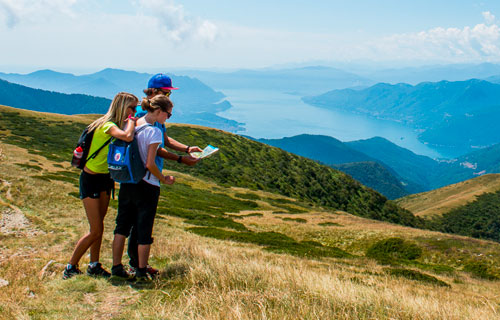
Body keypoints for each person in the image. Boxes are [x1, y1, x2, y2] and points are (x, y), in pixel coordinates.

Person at [126, 73, 202, 278]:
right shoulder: (147, 115)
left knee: (138, 221)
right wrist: (180, 160)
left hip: (147, 175)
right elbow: (155, 149)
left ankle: (138, 263)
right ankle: (136, 264)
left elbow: (165, 140)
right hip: (145, 176)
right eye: (167, 91)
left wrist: (187, 149)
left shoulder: (154, 113)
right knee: (140, 222)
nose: (169, 94)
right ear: (157, 92)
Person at [63, 92, 139, 279]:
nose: (134, 111)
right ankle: (70, 267)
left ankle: (94, 265)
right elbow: (127, 137)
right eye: (132, 108)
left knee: (99, 227)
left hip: (106, 179)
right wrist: (131, 121)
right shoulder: (107, 125)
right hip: (90, 180)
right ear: (122, 107)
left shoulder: (113, 124)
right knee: (95, 229)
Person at [111, 95, 176, 281]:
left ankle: (116, 266)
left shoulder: (133, 124)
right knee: (143, 230)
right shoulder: (154, 132)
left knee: (121, 227)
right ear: (158, 111)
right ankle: (140, 270)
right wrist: (164, 179)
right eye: (168, 114)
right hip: (147, 185)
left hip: (128, 182)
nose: (168, 118)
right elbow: (150, 163)